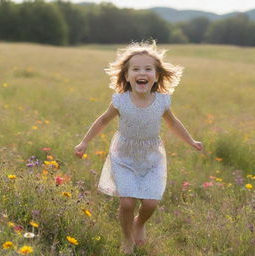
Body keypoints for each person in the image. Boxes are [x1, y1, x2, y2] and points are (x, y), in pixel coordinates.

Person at [74, 40, 203, 255]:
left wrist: (191, 141)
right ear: (126, 76)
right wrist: (84, 141)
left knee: (151, 203)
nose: (141, 72)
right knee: (126, 202)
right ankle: (127, 239)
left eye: (147, 69)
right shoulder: (121, 101)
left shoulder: (162, 101)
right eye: (135, 69)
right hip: (123, 156)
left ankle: (139, 223)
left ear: (156, 76)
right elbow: (103, 120)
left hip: (152, 158)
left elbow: (173, 123)